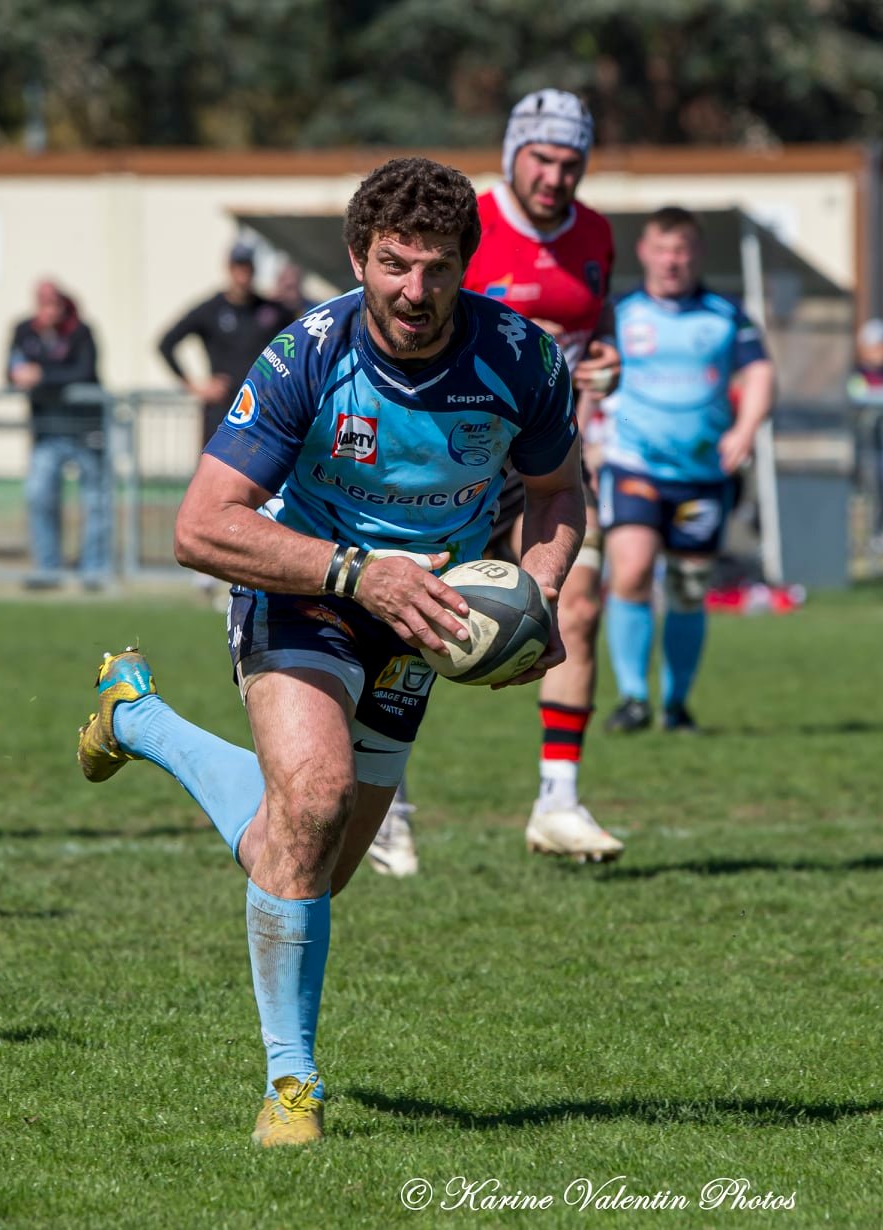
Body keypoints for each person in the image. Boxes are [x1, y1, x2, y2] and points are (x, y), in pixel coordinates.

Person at [70, 157, 584, 1146]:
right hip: (305, 589)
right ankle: (292, 1089)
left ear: (467, 265)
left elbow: (559, 486)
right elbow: (199, 526)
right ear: (358, 257)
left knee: (303, 860)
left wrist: (541, 593)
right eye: (393, 264)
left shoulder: (522, 357)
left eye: (437, 268)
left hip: (423, 619)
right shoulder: (307, 354)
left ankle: (136, 717)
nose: (414, 291)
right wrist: (357, 571)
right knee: (310, 796)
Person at [366, 89, 623, 875]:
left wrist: (604, 364)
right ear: (514, 152)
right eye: (542, 158)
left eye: (570, 163)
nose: (555, 175)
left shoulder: (598, 234)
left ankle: (558, 800)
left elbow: (592, 332)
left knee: (575, 599)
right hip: (456, 453)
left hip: (545, 459)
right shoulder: (466, 222)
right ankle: (388, 807)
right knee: (411, 615)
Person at [602, 206, 774, 732]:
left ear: (696, 254)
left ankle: (676, 706)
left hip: (702, 474)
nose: (672, 261)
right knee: (630, 572)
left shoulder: (726, 313)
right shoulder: (621, 312)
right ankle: (633, 699)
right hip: (634, 464)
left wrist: (745, 430)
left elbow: (761, 371)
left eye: (682, 250)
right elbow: (592, 375)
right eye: (663, 249)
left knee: (689, 587)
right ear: (645, 252)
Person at [8, 281, 106, 589]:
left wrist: (42, 376)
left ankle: (94, 572)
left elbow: (84, 371)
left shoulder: (81, 331)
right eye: (43, 304)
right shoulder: (23, 331)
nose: (49, 311)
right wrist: (28, 376)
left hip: (85, 430)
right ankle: (48, 569)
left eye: (54, 304)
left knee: (95, 501)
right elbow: (11, 372)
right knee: (39, 496)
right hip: (47, 431)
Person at [156, 243, 287, 449]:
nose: (243, 274)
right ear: (229, 268)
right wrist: (196, 386)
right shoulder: (211, 310)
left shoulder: (271, 310)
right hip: (224, 409)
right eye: (238, 267)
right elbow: (165, 344)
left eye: (247, 267)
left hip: (264, 408)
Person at [848, 318, 883, 553]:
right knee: (860, 493)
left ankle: (879, 534)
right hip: (860, 445)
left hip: (881, 445)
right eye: (882, 345)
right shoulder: (854, 374)